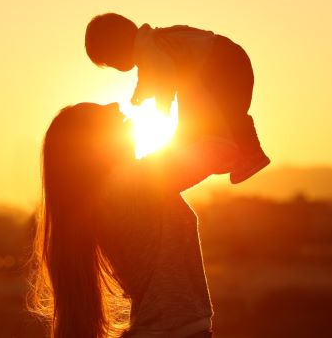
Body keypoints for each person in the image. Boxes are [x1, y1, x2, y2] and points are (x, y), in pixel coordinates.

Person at [27, 102, 238, 337]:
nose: (116, 105)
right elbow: (219, 150)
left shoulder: (119, 187)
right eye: (102, 111)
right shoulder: (127, 184)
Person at [84, 13, 270, 184]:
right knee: (220, 114)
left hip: (220, 63)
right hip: (228, 58)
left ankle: (238, 151)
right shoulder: (151, 45)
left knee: (204, 113)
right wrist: (139, 94)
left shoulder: (151, 49)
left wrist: (162, 107)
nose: (115, 67)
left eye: (111, 61)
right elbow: (150, 75)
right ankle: (237, 152)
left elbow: (165, 75)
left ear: (118, 46)